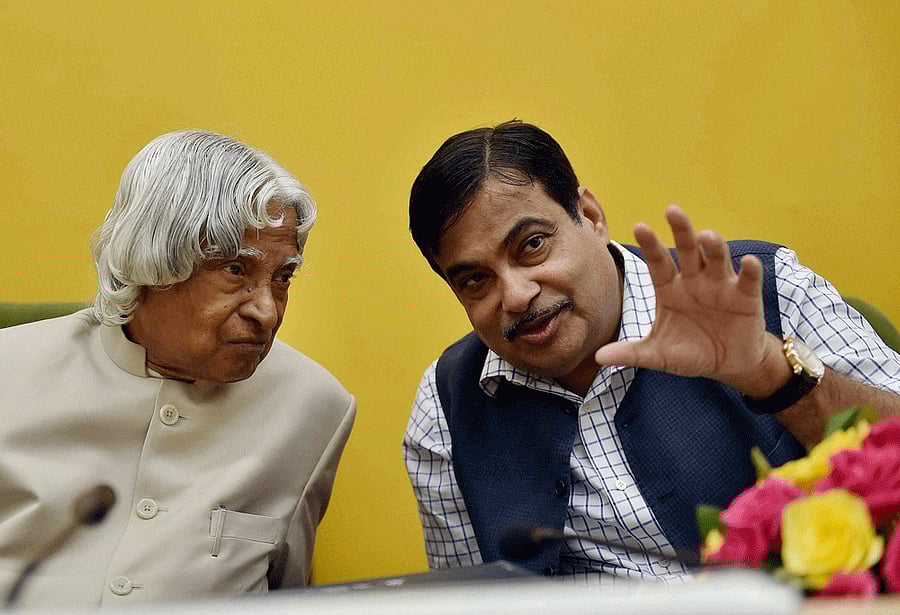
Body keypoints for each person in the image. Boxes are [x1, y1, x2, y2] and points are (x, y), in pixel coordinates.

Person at [403, 120, 900, 583]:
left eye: (532, 245)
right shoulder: (445, 411)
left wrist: (772, 374)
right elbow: (471, 602)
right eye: (475, 280)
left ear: (590, 217)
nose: (515, 295)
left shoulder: (761, 289)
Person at [0, 130, 356, 607]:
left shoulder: (313, 406)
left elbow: (286, 596)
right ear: (153, 258)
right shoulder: (9, 370)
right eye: (235, 270)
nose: (267, 312)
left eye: (282, 277)